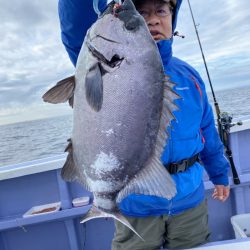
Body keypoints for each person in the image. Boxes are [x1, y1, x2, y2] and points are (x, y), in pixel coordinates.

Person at [58, 0, 230, 249]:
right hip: (135, 206)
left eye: (161, 11)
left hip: (189, 201)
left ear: (173, 17)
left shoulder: (190, 76)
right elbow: (75, 26)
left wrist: (219, 173)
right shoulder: (104, 61)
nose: (152, 19)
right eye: (141, 12)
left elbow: (206, 131)